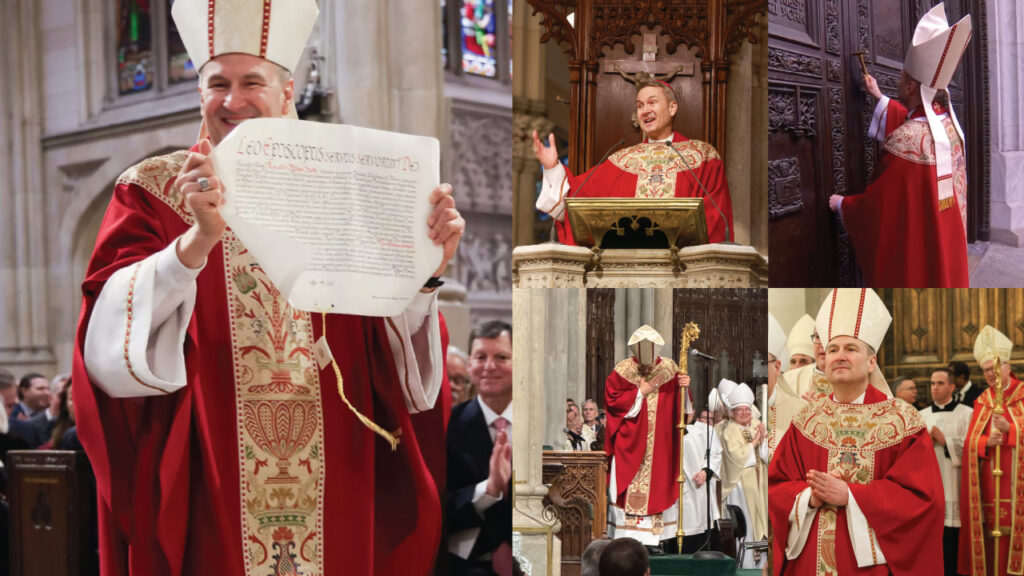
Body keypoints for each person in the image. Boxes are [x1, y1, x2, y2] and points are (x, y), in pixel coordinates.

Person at [72, 1, 463, 574]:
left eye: (251, 82)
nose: (233, 101)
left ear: (287, 90)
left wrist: (426, 272)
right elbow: (107, 346)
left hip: (339, 468)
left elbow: (401, 368)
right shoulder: (153, 191)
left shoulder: (350, 186)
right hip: (213, 473)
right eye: (217, 84)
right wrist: (194, 244)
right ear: (199, 93)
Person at [769, 288, 944, 575]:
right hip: (809, 562)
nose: (839, 356)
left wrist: (850, 495)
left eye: (851, 349)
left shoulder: (902, 421)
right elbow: (776, 487)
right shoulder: (806, 421)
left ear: (871, 361)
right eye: (833, 349)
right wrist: (809, 498)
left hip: (870, 564)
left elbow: (923, 500)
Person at [829, 3, 972, 287]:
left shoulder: (908, 139)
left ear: (909, 87)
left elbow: (878, 209)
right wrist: (879, 97)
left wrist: (845, 205)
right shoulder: (950, 127)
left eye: (903, 77)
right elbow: (917, 126)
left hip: (915, 262)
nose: (900, 79)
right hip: (945, 247)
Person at [532, 80, 734, 245]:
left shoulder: (702, 156)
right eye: (640, 105)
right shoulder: (622, 160)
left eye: (652, 102)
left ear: (672, 108)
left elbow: (715, 218)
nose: (645, 110)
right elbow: (578, 198)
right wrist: (552, 167)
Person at [605, 325, 689, 550]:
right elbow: (612, 402)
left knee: (660, 482)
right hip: (630, 443)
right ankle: (628, 538)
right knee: (631, 483)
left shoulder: (670, 369)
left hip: (660, 444)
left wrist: (685, 388)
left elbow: (684, 411)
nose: (646, 366)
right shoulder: (623, 370)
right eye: (642, 363)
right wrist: (640, 392)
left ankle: (655, 540)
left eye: (650, 362)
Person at [447, 320, 513, 576]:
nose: (489, 366)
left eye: (501, 357)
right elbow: (439, 506)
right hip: (468, 562)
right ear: (470, 366)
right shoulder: (449, 425)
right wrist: (489, 489)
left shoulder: (537, 421)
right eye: (480, 357)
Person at [959, 325, 1023, 576]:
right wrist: (987, 443)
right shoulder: (982, 400)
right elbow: (970, 443)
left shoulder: (1022, 395)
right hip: (988, 485)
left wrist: (1011, 430)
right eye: (986, 370)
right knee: (990, 537)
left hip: (1017, 484)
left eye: (995, 368)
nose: (991, 374)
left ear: (1008, 367)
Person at [920, 368, 972, 576]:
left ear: (952, 387)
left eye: (940, 383)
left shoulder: (966, 414)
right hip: (930, 487)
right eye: (932, 383)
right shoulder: (920, 416)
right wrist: (925, 444)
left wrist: (946, 442)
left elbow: (973, 447)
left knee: (953, 542)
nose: (935, 388)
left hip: (955, 483)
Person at [719, 383, 768, 568]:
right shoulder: (729, 431)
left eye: (747, 409)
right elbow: (737, 457)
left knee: (762, 523)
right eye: (739, 410)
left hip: (759, 482)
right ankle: (746, 563)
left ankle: (763, 563)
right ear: (732, 413)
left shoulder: (757, 425)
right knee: (746, 524)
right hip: (740, 486)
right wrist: (755, 441)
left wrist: (763, 442)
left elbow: (766, 456)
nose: (744, 413)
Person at [681, 406, 722, 552]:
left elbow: (715, 455)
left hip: (699, 491)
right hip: (676, 497)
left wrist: (706, 471)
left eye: (688, 409)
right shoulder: (662, 431)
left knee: (699, 534)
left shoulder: (704, 431)